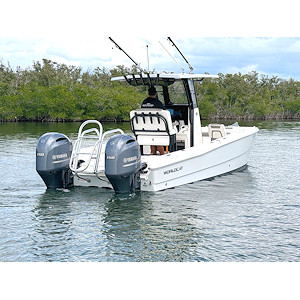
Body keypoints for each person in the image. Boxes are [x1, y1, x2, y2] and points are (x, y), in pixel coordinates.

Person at [141, 86, 165, 155]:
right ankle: (162, 155)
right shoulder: (158, 103)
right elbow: (164, 113)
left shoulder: (144, 103)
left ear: (148, 94)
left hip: (146, 128)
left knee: (152, 140)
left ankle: (153, 154)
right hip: (157, 127)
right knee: (159, 141)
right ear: (156, 94)